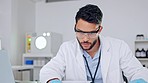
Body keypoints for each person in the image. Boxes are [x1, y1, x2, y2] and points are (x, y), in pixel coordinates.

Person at [40, 4, 148, 83]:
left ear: (99, 30)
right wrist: (53, 80)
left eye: (91, 33)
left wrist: (139, 80)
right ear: (75, 27)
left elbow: (137, 71)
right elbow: (49, 70)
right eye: (80, 32)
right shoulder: (67, 49)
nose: (85, 39)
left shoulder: (118, 47)